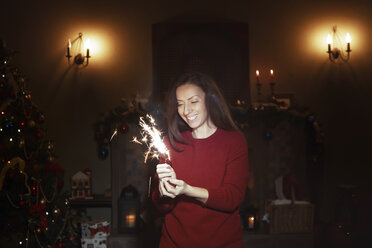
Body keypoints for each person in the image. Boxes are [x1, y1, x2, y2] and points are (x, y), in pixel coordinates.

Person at [152, 72, 250, 248]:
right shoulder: (169, 144)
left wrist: (188, 190)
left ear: (209, 100)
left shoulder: (234, 142)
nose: (186, 110)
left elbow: (233, 197)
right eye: (180, 104)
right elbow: (162, 206)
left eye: (193, 101)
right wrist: (163, 190)